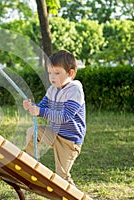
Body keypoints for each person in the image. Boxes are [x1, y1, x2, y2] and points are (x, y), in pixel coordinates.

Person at [23, 50, 86, 186]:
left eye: (57, 73)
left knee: (62, 177)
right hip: (54, 133)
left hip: (69, 141)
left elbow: (66, 116)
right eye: (50, 73)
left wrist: (40, 111)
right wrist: (31, 107)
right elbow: (41, 107)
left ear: (70, 73)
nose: (52, 77)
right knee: (33, 132)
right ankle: (29, 164)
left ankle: (74, 195)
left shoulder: (75, 91)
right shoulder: (52, 89)